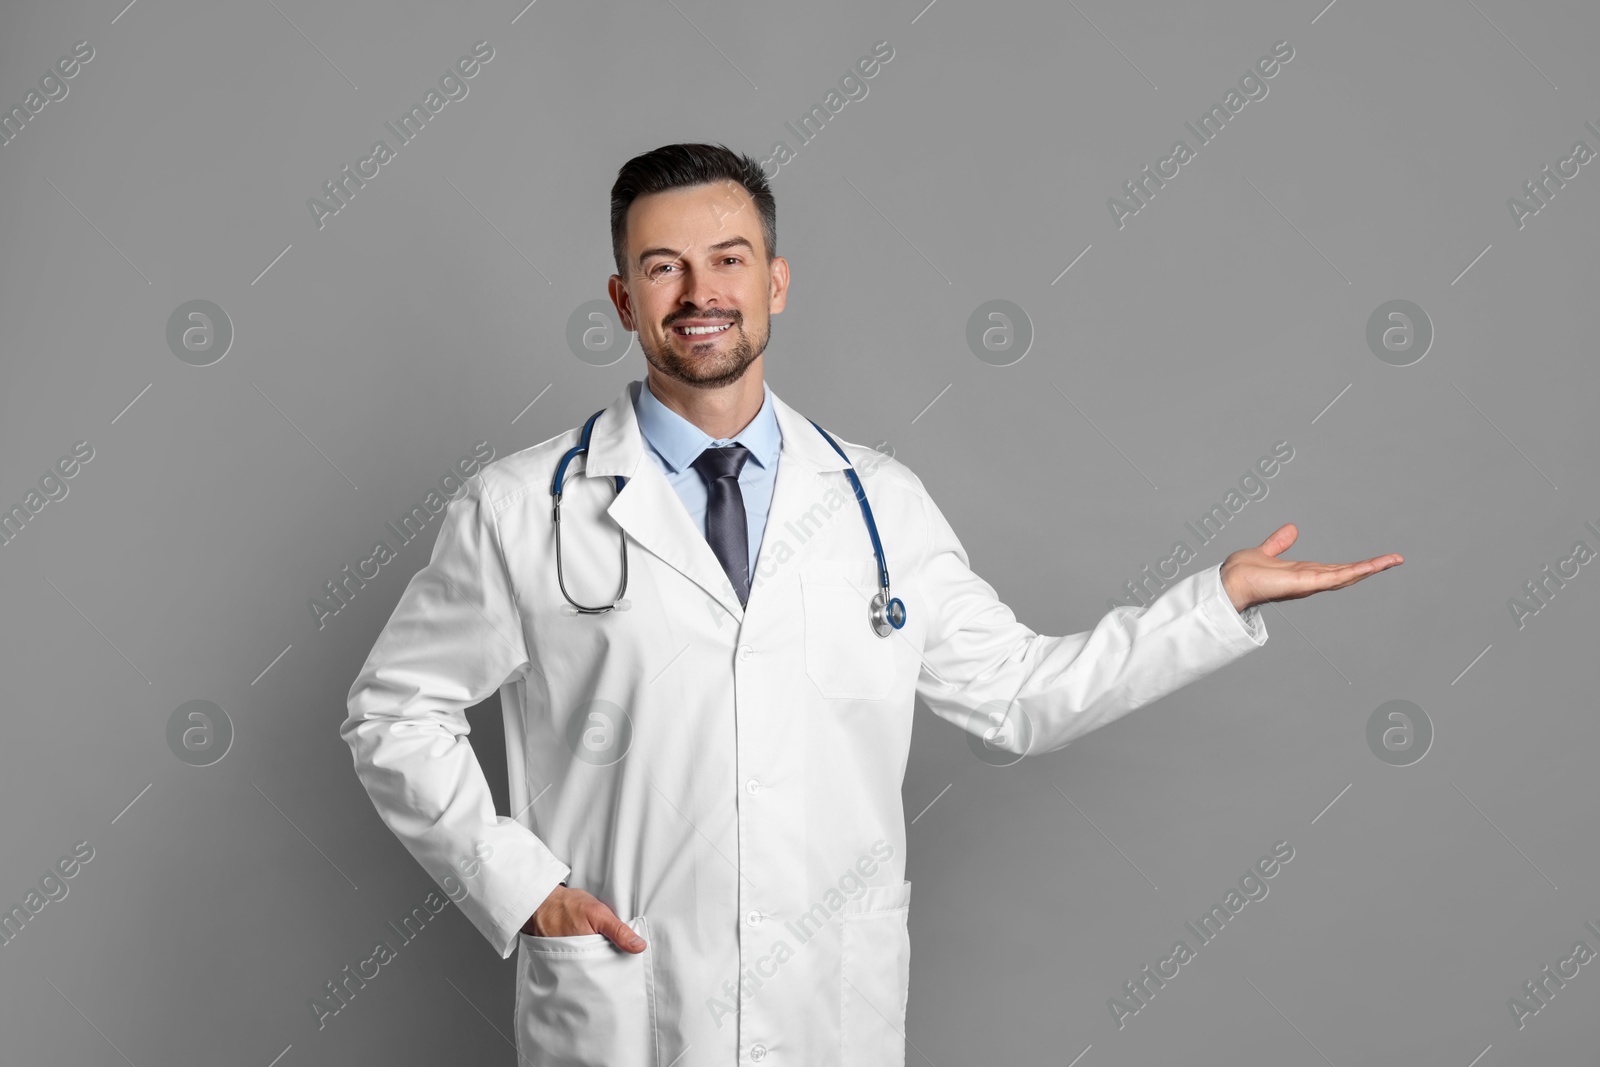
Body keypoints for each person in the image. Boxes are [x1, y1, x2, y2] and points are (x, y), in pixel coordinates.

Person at [341, 142, 1402, 1067]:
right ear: (622, 297)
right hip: (627, 1002)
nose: (698, 291)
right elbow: (393, 712)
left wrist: (1211, 603)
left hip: (825, 1010)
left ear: (777, 282)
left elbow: (1018, 697)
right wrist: (523, 887)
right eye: (661, 267)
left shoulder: (877, 502)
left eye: (728, 259)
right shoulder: (523, 505)